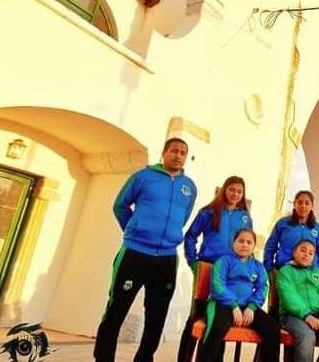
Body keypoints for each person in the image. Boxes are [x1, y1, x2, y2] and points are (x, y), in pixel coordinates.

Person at [94, 137, 197, 362]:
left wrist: (168, 235)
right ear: (164, 153)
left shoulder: (189, 187)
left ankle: (144, 358)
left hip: (167, 258)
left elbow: (184, 216)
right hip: (134, 253)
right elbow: (120, 205)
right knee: (116, 309)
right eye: (174, 151)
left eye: (183, 152)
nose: (178, 155)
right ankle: (103, 357)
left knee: (157, 316)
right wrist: (134, 229)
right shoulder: (143, 177)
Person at [178, 176, 252, 362]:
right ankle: (185, 357)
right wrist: (194, 262)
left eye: (239, 191)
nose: (235, 194)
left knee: (222, 316)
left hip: (231, 272)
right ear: (224, 190)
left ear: (243, 194)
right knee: (198, 314)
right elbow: (191, 236)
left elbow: (248, 242)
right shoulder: (209, 212)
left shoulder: (245, 216)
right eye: (231, 189)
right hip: (209, 268)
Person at [195, 229, 280, 362]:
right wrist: (233, 306)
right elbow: (217, 285)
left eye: (249, 242)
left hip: (248, 307)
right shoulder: (224, 261)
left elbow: (262, 287)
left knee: (273, 329)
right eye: (240, 241)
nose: (244, 245)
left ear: (253, 246)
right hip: (222, 304)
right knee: (217, 328)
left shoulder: (257, 266)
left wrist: (252, 307)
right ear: (233, 243)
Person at [277, 240, 319, 362]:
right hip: (293, 315)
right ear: (294, 253)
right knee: (307, 336)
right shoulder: (285, 271)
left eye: (311, 253)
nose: (306, 254)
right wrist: (306, 315)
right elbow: (289, 296)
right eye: (303, 250)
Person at [264, 190, 319, 272]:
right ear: (294, 204)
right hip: (283, 271)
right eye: (300, 202)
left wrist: (318, 273)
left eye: (307, 203)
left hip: (308, 275)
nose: (303, 206)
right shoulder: (283, 223)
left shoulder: (317, 228)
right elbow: (270, 247)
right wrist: (269, 269)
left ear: (312, 206)